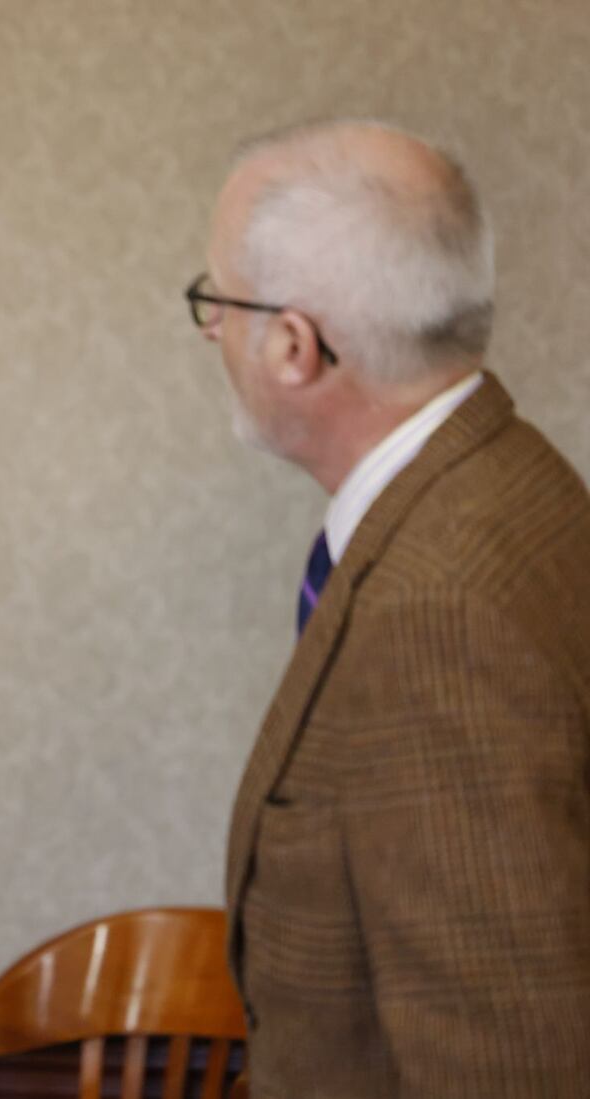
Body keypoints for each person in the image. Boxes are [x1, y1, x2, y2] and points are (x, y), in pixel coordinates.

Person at [189, 118, 590, 1097]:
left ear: (294, 345)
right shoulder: (512, 481)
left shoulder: (438, 609)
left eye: (217, 302)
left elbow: (503, 1056)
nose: (209, 330)